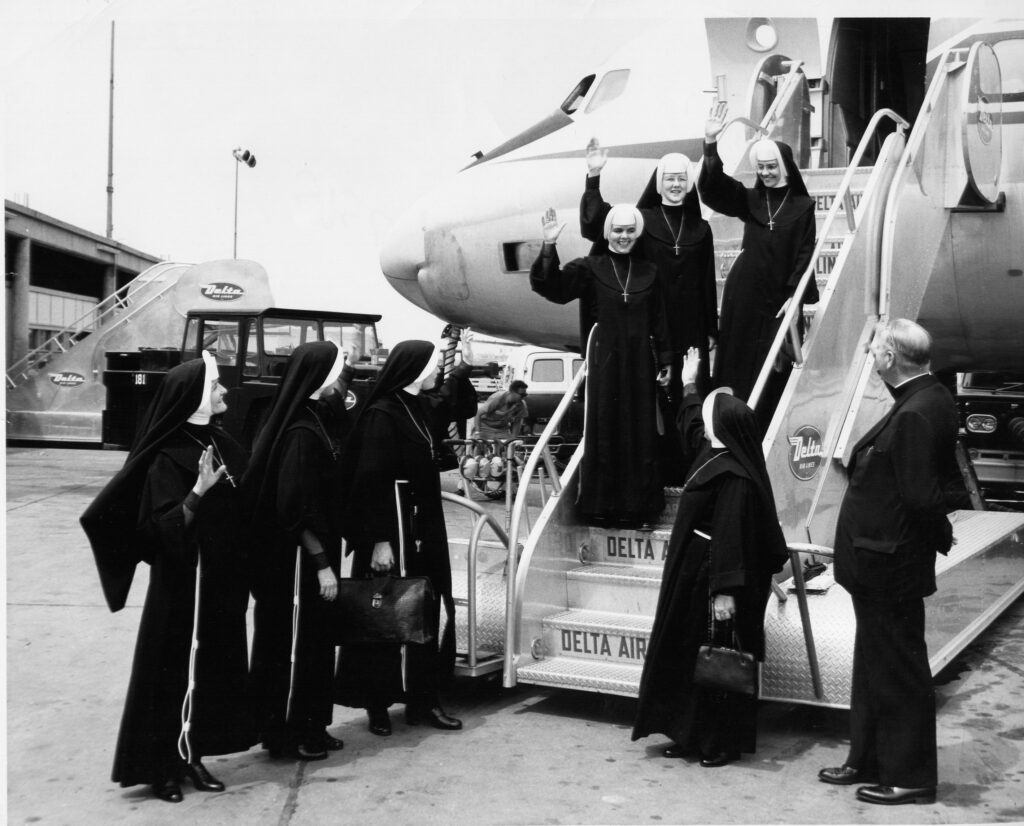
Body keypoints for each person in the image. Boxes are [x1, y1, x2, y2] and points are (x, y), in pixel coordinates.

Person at [81, 352, 254, 803]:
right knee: (170, 671)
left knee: (208, 668)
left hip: (216, 582)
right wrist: (197, 492)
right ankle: (161, 767)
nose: (223, 392)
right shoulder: (166, 456)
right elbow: (158, 530)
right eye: (216, 386)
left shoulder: (223, 443)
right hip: (180, 584)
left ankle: (192, 752)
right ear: (195, 396)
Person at [818, 319, 958, 805]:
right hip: (879, 566)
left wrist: (938, 537)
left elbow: (922, 498)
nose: (870, 357)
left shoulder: (917, 412)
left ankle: (911, 777)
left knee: (898, 670)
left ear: (890, 358)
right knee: (874, 665)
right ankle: (870, 758)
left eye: (875, 350)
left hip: (890, 568)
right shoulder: (922, 400)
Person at [632, 347, 787, 767]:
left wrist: (724, 591)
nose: (703, 422)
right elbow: (688, 422)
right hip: (693, 576)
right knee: (691, 657)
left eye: (709, 415)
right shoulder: (714, 454)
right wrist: (688, 383)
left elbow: (733, 540)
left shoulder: (735, 478)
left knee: (717, 660)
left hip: (714, 583)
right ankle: (689, 733)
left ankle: (720, 742)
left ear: (721, 426)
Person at [334, 340, 464, 736]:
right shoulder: (381, 415)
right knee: (385, 613)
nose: (436, 373)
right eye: (431, 366)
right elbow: (368, 482)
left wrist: (461, 367)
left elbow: (456, 402)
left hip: (424, 526)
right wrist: (378, 540)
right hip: (392, 529)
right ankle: (376, 702)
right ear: (413, 370)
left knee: (426, 606)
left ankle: (423, 700)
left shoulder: (420, 407)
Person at [530, 204, 672, 527]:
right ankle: (603, 508)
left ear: (637, 233)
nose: (624, 237)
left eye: (629, 231)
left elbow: (660, 320)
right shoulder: (590, 268)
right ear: (608, 232)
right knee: (605, 431)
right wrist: (549, 245)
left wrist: (666, 360)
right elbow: (550, 287)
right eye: (618, 230)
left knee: (640, 433)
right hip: (605, 364)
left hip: (639, 365)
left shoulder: (649, 271)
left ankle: (641, 509)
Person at [245, 341, 352, 761]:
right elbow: (292, 508)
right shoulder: (300, 433)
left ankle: (312, 723)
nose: (343, 381)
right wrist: (323, 563)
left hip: (313, 558)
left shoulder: (315, 418)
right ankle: (285, 734)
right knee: (293, 647)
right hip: (298, 563)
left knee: (317, 644)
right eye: (339, 373)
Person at [698, 101, 817, 423]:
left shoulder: (804, 205)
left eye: (771, 166)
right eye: (760, 167)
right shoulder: (750, 199)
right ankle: (730, 422)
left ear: (784, 166)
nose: (764, 172)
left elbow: (805, 252)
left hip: (779, 296)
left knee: (775, 360)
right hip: (745, 291)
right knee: (736, 358)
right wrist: (710, 144)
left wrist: (795, 295)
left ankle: (763, 426)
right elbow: (713, 188)